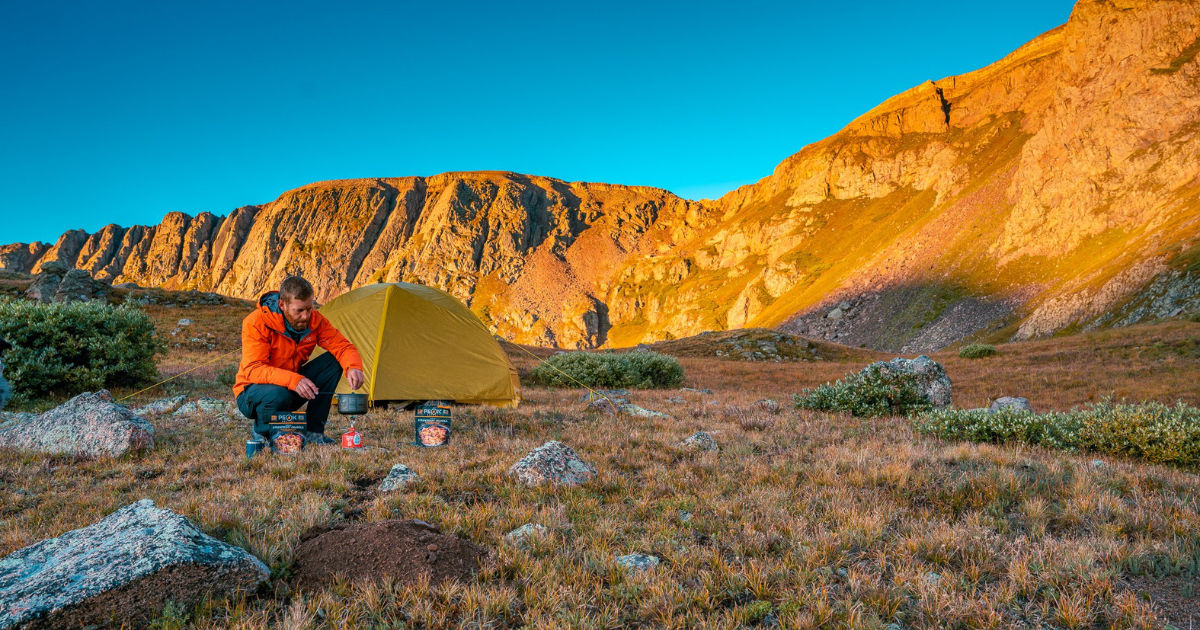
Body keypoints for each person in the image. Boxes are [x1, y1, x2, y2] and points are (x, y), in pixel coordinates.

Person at [233, 276, 365, 444]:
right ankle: (263, 434)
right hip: (251, 392)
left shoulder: (315, 321)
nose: (306, 316)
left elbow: (343, 347)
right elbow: (254, 370)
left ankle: (313, 432)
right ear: (282, 305)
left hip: (290, 387)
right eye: (299, 310)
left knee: (333, 362)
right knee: (277, 393)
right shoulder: (257, 322)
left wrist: (353, 367)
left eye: (309, 309)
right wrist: (294, 380)